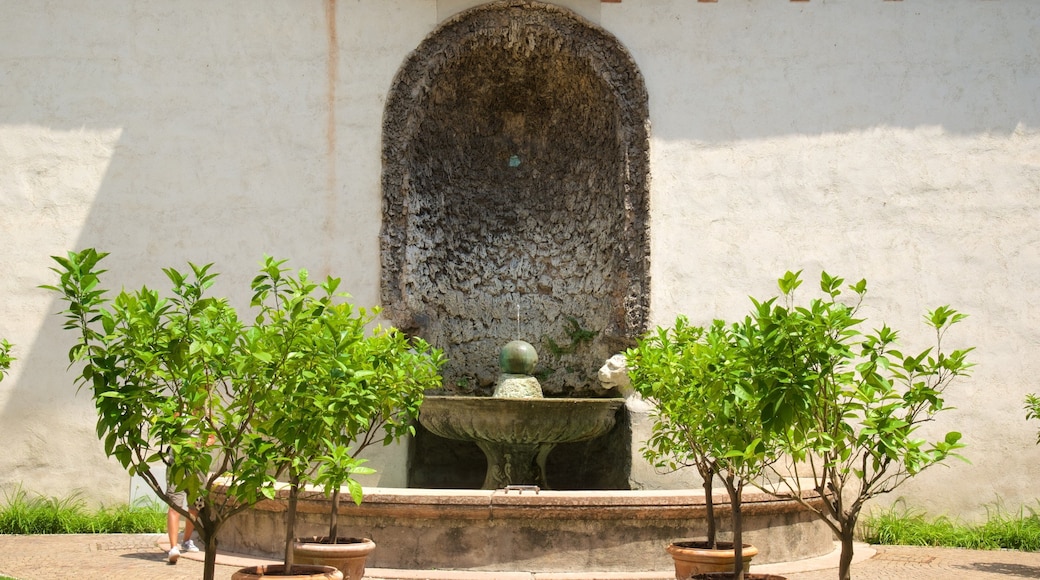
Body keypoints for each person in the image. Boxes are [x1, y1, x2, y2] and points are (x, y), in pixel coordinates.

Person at [166, 485, 199, 564]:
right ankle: (173, 548)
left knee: (197, 505)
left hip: (199, 473)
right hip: (176, 472)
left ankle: (186, 542)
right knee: (174, 505)